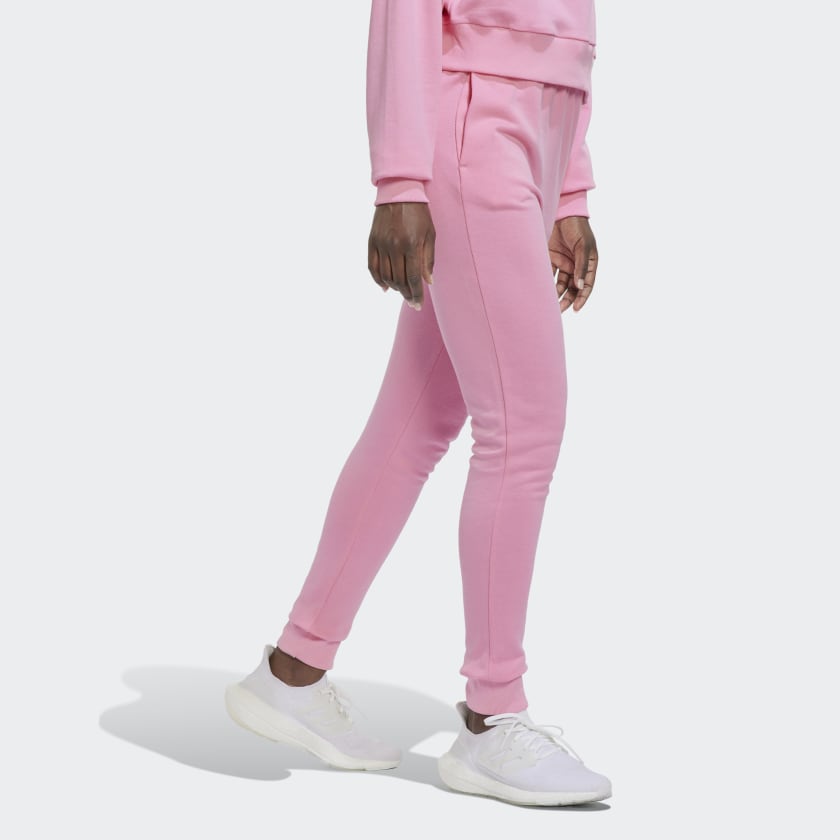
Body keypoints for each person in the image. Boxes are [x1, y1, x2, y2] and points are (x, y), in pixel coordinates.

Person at [225, 0, 612, 807]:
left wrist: (570, 189)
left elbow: (563, 27)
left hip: (534, 129)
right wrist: (398, 179)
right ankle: (492, 716)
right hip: (475, 123)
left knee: (416, 422)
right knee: (524, 427)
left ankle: (294, 670)